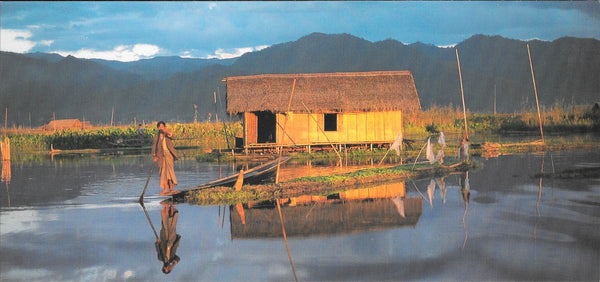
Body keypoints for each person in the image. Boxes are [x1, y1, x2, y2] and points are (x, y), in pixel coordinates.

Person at [152, 121, 178, 195]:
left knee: (169, 171)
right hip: (160, 156)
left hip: (169, 154)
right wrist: (154, 156)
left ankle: (171, 188)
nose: (161, 128)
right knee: (163, 172)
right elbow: (154, 147)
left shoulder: (167, 134)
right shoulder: (156, 137)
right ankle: (165, 189)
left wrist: (168, 132)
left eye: (162, 127)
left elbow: (173, 137)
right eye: (159, 127)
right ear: (158, 128)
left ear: (164, 127)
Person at [155, 202, 181, 274]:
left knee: (165, 225)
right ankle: (172, 207)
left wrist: (158, 242)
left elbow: (158, 249)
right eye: (168, 269)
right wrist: (173, 265)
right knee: (172, 225)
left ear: (163, 267)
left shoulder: (160, 258)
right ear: (169, 268)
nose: (166, 267)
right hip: (171, 241)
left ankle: (166, 207)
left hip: (164, 240)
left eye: (165, 268)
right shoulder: (172, 260)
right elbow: (178, 258)